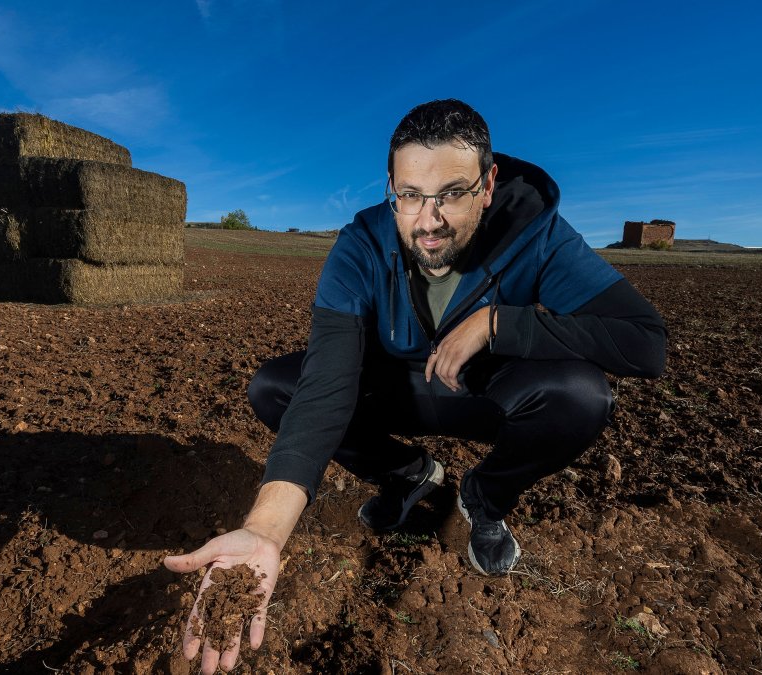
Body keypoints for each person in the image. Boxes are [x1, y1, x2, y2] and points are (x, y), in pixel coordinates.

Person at [164, 99, 666, 673]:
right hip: (394, 392)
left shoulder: (537, 235)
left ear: (488, 183)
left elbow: (645, 343)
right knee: (277, 385)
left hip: (484, 392)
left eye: (452, 192)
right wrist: (263, 531)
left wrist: (502, 324)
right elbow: (327, 385)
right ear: (391, 189)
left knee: (582, 396)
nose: (429, 221)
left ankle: (483, 500)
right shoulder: (361, 245)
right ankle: (406, 475)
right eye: (409, 195)